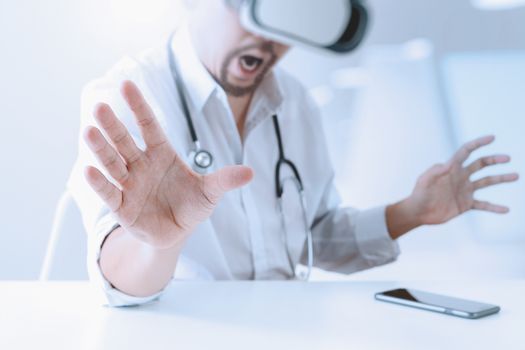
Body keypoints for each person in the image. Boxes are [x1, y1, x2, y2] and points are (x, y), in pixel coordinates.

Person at [67, 0, 519, 306]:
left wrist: (412, 211)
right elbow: (117, 279)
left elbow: (315, 238)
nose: (271, 40)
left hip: (291, 333)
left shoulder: (296, 104)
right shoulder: (130, 97)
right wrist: (156, 244)